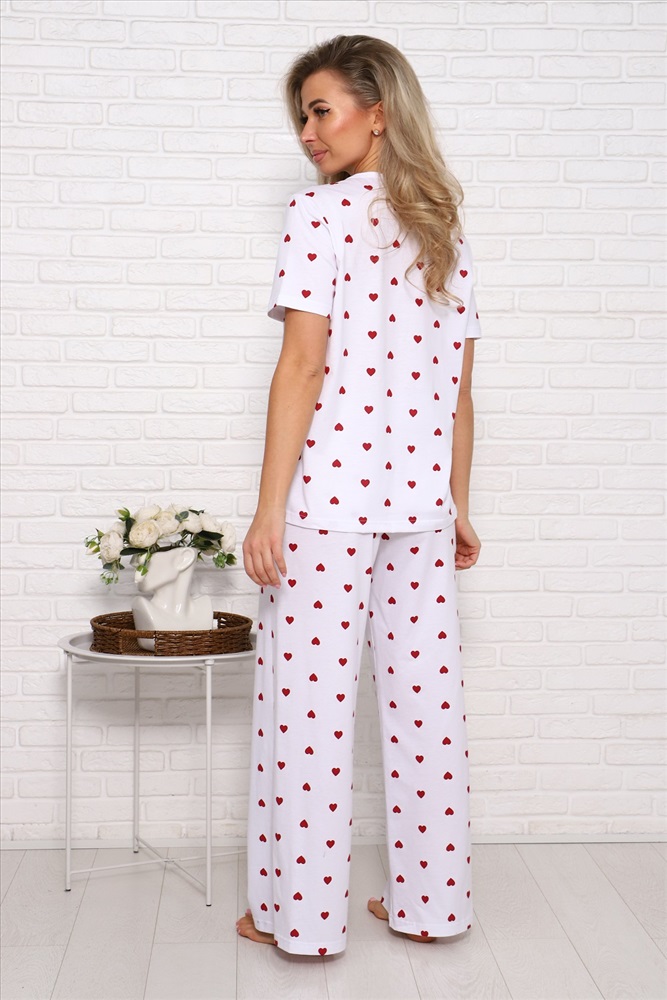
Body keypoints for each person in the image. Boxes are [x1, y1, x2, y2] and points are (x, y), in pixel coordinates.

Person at [237, 34, 482, 956]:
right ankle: (432, 907)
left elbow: (302, 366)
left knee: (307, 721)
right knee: (425, 716)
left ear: (376, 113)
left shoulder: (318, 215)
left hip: (330, 507)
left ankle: (298, 920)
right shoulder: (443, 228)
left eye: (321, 110)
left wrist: (269, 509)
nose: (307, 132)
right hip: (420, 508)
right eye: (301, 116)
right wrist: (456, 504)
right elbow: (457, 394)